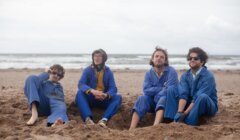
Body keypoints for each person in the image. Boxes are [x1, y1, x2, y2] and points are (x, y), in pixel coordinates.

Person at [164, 47, 218, 125]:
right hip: (190, 102)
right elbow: (183, 94)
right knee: (171, 89)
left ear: (202, 62)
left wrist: (185, 113)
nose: (192, 60)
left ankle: (190, 122)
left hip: (207, 104)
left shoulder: (208, 76)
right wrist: (179, 112)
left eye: (195, 58)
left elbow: (197, 97)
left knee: (202, 97)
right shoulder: (185, 75)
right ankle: (172, 119)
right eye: (190, 58)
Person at [129, 47, 178, 130]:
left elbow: (169, 89)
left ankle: (155, 127)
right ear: (152, 59)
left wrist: (156, 93)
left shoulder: (171, 71)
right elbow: (146, 90)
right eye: (156, 56)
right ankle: (131, 128)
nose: (159, 58)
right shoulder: (149, 73)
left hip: (168, 104)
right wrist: (161, 88)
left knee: (163, 98)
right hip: (153, 103)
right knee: (142, 98)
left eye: (162, 57)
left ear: (165, 61)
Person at [75, 49, 122, 128]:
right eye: (95, 56)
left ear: (104, 58)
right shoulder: (87, 70)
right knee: (79, 93)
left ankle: (104, 120)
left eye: (99, 56)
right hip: (91, 97)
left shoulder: (108, 71)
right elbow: (81, 84)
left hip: (103, 98)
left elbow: (113, 88)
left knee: (118, 97)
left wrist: (106, 95)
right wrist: (92, 91)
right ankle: (88, 119)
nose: (97, 58)